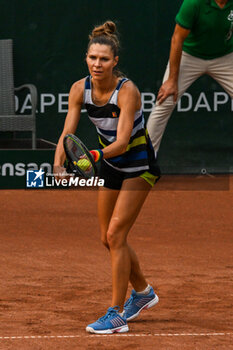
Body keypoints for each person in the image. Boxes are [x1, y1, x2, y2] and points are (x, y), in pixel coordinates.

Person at [54, 21, 160, 334]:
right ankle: (142, 292)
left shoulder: (127, 91)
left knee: (116, 235)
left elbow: (123, 142)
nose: (97, 64)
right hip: (112, 167)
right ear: (86, 59)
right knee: (108, 238)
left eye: (103, 59)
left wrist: (93, 157)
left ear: (115, 62)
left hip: (139, 165)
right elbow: (67, 133)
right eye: (92, 58)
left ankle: (115, 313)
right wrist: (59, 164)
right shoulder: (79, 89)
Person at [147, 0, 233, 154]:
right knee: (164, 101)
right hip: (190, 56)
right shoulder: (193, 3)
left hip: (225, 57)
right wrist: (172, 80)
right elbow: (177, 39)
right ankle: (143, 161)